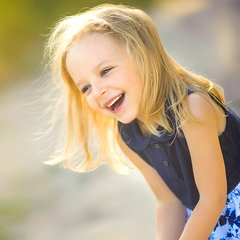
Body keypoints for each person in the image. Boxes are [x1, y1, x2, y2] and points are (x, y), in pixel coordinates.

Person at [43, 4, 240, 240]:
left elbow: (212, 199)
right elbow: (168, 201)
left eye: (105, 71)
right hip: (205, 221)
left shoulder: (193, 108)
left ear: (142, 56)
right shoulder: (126, 134)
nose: (97, 91)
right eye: (85, 87)